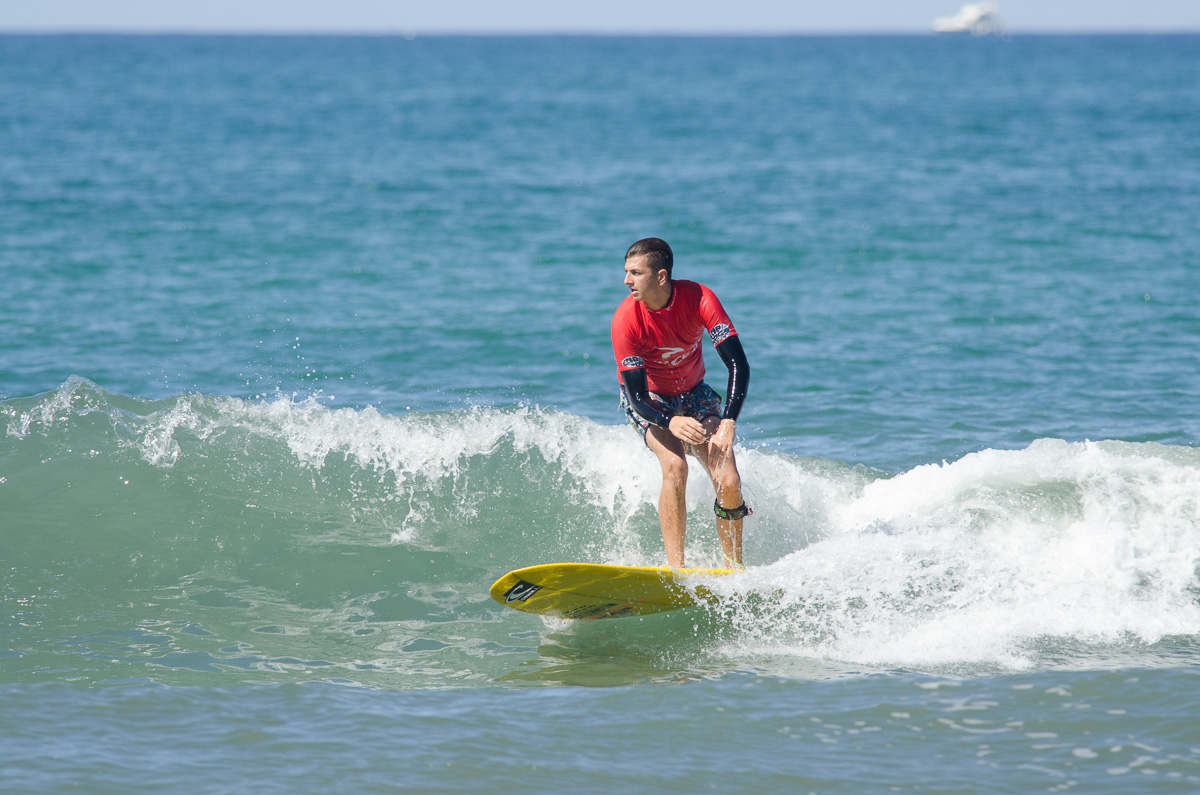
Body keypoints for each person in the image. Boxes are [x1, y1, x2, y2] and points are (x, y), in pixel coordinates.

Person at [610, 237, 751, 569]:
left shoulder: (699, 299)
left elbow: (737, 364)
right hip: (651, 399)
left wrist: (728, 422)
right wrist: (669, 420)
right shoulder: (625, 320)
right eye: (626, 272)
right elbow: (637, 396)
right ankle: (677, 569)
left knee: (729, 480)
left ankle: (734, 569)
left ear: (661, 276)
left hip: (694, 392)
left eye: (635, 273)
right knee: (675, 465)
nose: (626, 280)